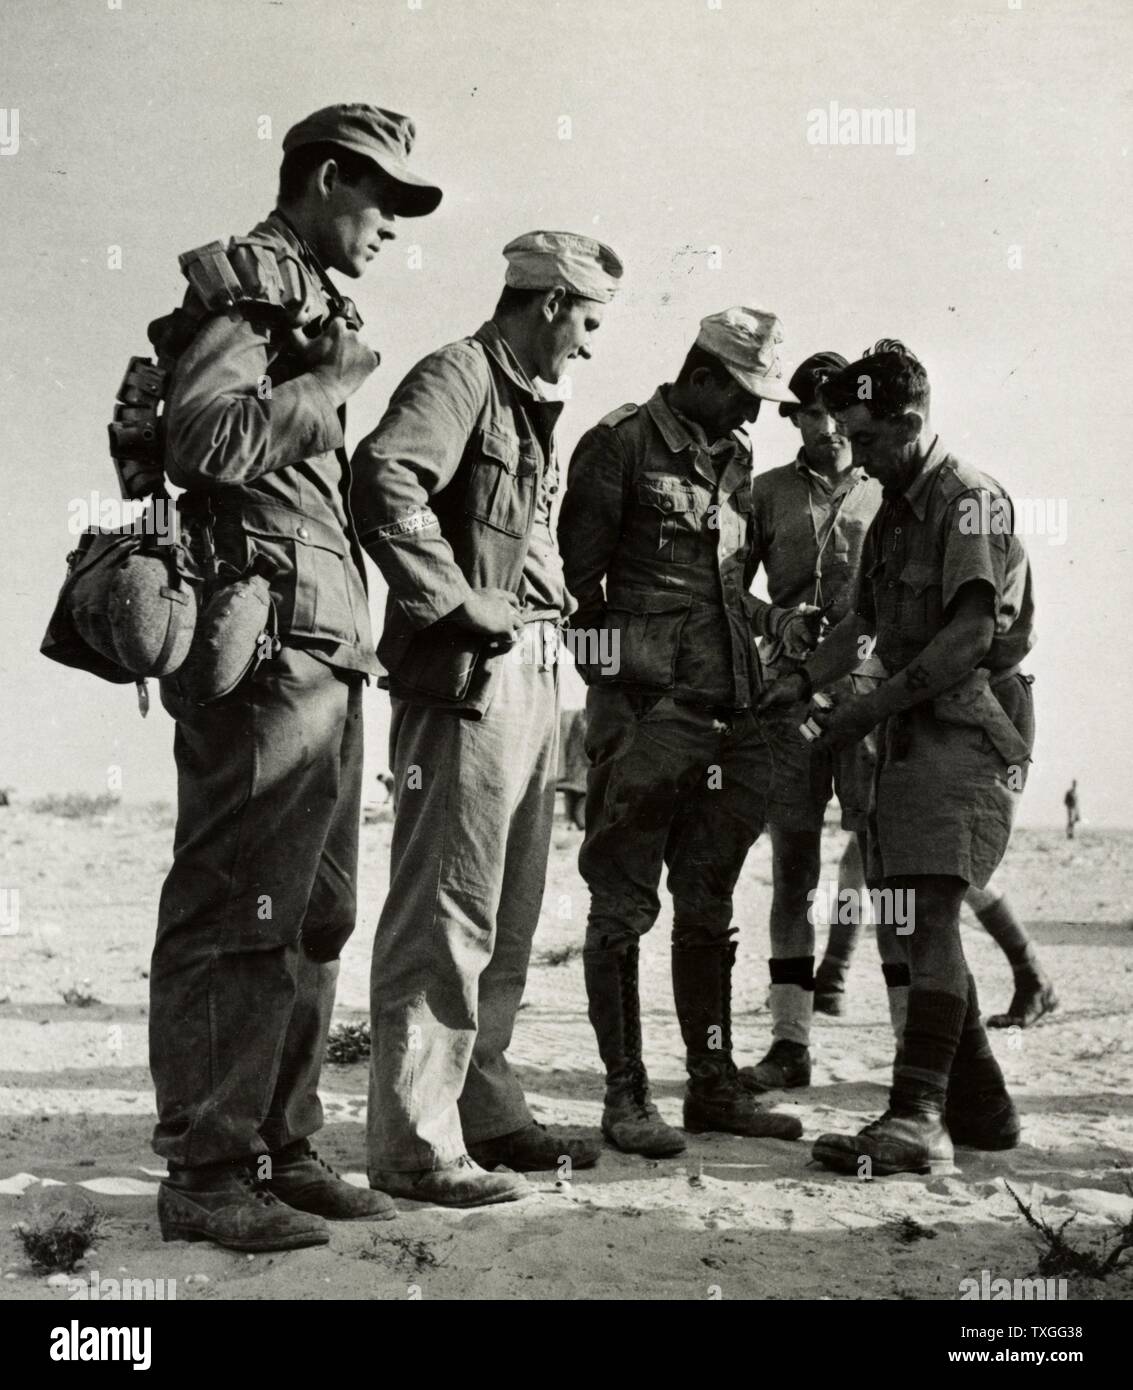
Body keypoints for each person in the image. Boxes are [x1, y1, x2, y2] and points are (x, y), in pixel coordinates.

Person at [151, 104, 441, 1250]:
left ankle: (284, 1142)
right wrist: (330, 386)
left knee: (315, 912)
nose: (390, 228)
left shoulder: (313, 303)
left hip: (324, 648)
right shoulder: (255, 289)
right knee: (240, 908)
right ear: (326, 179)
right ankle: (208, 1171)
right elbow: (201, 443)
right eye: (381, 202)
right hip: (265, 648)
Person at [351, 231, 622, 1206]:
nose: (588, 345)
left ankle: (482, 1107)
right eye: (586, 322)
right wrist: (454, 597)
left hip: (537, 672)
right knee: (445, 913)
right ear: (548, 305)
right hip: (471, 675)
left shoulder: (526, 400)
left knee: (506, 913)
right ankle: (417, 1146)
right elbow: (382, 478)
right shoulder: (460, 373)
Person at [760, 341, 1036, 1175]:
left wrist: (860, 711)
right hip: (909, 729)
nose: (857, 452)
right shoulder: (894, 507)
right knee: (913, 917)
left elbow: (969, 636)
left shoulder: (968, 500)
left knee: (927, 910)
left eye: (869, 437)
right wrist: (802, 681)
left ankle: (916, 1116)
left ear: (909, 423)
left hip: (964, 724)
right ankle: (979, 1109)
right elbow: (865, 625)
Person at [558, 307, 805, 1158]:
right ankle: (624, 1100)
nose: (757, 418)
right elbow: (575, 602)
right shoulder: (617, 443)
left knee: (708, 909)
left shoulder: (734, 459)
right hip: (648, 725)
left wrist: (774, 626)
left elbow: (721, 589)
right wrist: (630, 700)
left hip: (728, 720)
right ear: (701, 377)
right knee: (622, 909)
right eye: (746, 396)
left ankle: (711, 1087)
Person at [738, 351, 882, 1089]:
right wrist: (776, 620)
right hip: (788, 700)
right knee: (791, 868)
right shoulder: (762, 494)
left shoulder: (888, 493)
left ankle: (895, 1043)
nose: (823, 426)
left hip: (868, 704)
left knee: (879, 856)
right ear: (792, 418)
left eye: (833, 411)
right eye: (808, 413)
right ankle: (789, 1042)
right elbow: (724, 587)